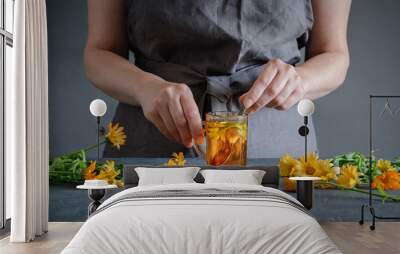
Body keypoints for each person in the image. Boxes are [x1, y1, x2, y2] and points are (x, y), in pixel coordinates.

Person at [85, 0, 351, 158]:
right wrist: (144, 88)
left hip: (275, 146)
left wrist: (299, 81)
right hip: (153, 138)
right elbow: (99, 53)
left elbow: (334, 54)